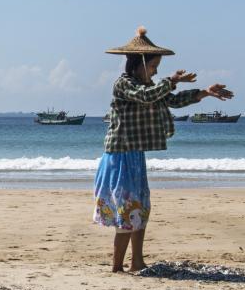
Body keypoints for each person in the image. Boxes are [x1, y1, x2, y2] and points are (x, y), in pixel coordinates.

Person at [94, 26, 234, 273]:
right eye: (153, 67)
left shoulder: (147, 83)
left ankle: (137, 262)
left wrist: (205, 93)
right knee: (127, 209)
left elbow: (171, 100)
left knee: (140, 208)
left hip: (134, 153)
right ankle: (117, 267)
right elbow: (147, 96)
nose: (156, 72)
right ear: (140, 62)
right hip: (119, 155)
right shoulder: (124, 84)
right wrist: (171, 81)